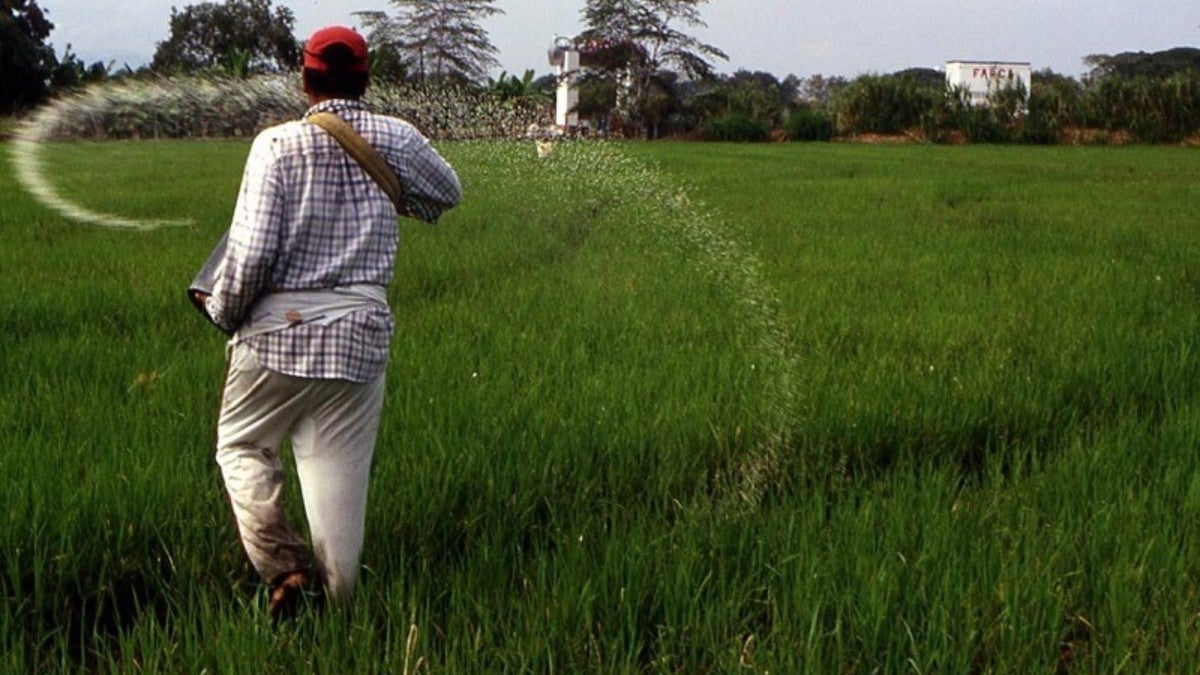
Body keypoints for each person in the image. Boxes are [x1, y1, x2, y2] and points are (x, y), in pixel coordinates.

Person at [195, 25, 461, 618]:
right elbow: (448, 193)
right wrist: (395, 192)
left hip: (277, 334)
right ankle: (340, 611)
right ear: (366, 79)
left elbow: (251, 255)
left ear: (305, 78)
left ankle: (285, 567)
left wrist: (221, 311)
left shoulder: (276, 145)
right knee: (339, 488)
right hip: (359, 338)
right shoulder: (397, 137)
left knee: (242, 445)